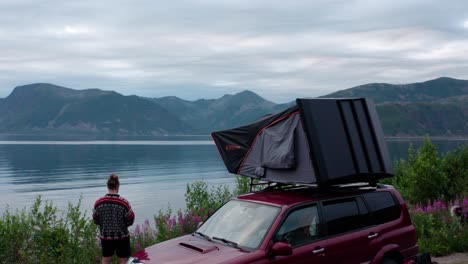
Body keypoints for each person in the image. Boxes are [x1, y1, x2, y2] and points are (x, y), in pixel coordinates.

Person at [93, 174, 135, 264]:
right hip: (122, 237)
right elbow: (131, 219)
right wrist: (123, 224)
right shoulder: (124, 203)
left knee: (106, 260)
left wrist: (104, 224)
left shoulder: (98, 203)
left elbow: (96, 220)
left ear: (108, 186)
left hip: (105, 236)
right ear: (117, 186)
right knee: (123, 260)